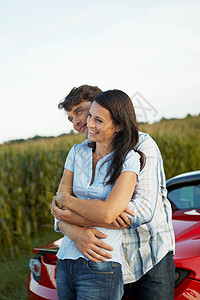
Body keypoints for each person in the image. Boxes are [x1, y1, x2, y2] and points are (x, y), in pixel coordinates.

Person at [51, 85, 175, 300]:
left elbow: (141, 212)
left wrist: (71, 216)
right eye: (71, 118)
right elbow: (57, 209)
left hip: (148, 256)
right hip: (104, 258)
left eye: (81, 112)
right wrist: (74, 232)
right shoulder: (80, 152)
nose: (78, 122)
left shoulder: (141, 146)